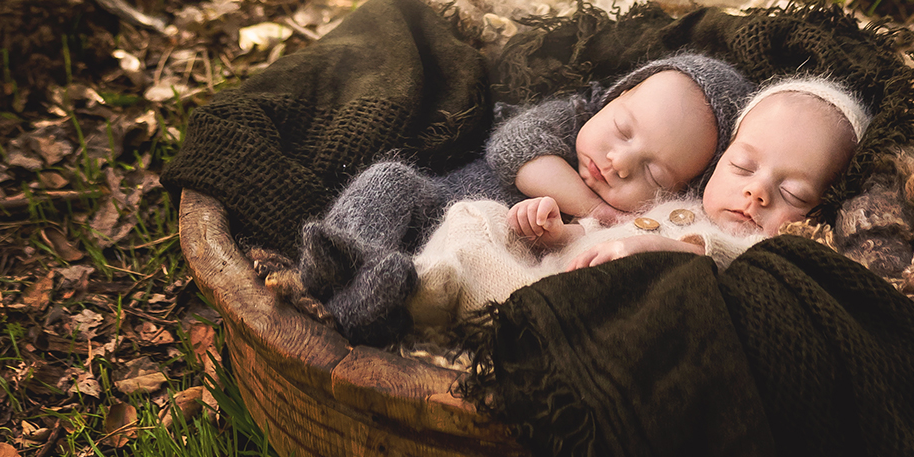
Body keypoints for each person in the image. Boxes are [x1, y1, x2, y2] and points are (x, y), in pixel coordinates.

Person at [296, 50, 750, 343]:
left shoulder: (632, 229)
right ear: (615, 98)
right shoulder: (572, 117)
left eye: (652, 171)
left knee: (423, 284)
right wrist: (596, 207)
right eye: (622, 129)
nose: (619, 161)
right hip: (433, 207)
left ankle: (364, 302)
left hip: (469, 266)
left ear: (676, 192)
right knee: (388, 180)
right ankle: (341, 259)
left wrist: (569, 229)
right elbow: (514, 149)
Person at [406, 70, 874, 327]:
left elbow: (729, 259)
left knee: (513, 297)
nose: (757, 192)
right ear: (720, 159)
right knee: (477, 214)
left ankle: (451, 301)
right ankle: (435, 281)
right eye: (742, 167)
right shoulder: (675, 203)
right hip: (543, 275)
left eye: (792, 192)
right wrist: (554, 230)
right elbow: (595, 233)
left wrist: (668, 250)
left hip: (578, 316)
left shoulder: (763, 249)